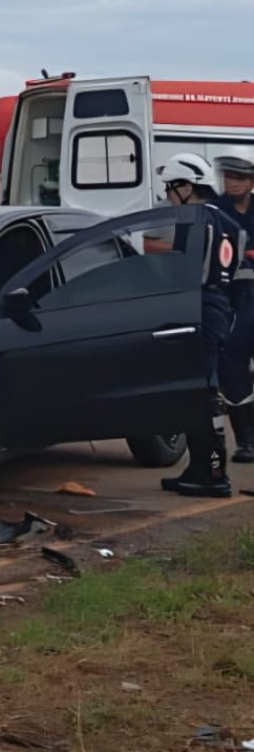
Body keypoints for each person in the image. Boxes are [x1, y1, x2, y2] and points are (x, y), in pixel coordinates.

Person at [157, 154, 243, 500]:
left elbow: (178, 267)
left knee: (203, 395)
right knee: (198, 393)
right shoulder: (228, 222)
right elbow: (233, 269)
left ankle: (213, 474)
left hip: (198, 308)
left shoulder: (193, 220)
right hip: (218, 306)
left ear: (187, 186)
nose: (167, 194)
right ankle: (198, 469)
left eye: (170, 187)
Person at [214, 152, 254, 463]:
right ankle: (246, 441)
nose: (231, 182)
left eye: (238, 178)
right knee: (233, 367)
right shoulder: (215, 210)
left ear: (251, 182)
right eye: (228, 176)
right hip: (232, 298)